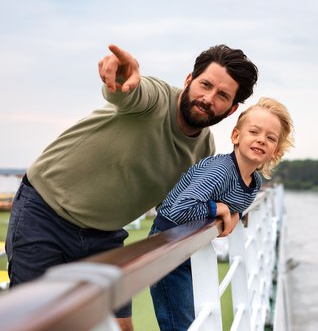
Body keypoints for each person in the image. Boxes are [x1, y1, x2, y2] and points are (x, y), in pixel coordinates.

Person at [5, 43, 259, 331]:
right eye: (205, 85)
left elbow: (194, 200)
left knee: (121, 326)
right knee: (37, 321)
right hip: (44, 212)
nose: (207, 98)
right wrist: (122, 79)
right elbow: (130, 93)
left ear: (231, 109)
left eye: (222, 95)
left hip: (104, 236)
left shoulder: (204, 149)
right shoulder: (155, 98)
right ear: (189, 80)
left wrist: (232, 209)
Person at [149, 97, 294, 331]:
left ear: (275, 151)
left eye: (270, 138)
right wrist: (220, 209)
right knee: (180, 324)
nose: (261, 140)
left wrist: (235, 213)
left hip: (191, 246)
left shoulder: (254, 181)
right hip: (167, 244)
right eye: (254, 132)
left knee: (201, 317)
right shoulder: (221, 171)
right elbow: (179, 209)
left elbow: (237, 201)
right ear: (236, 136)